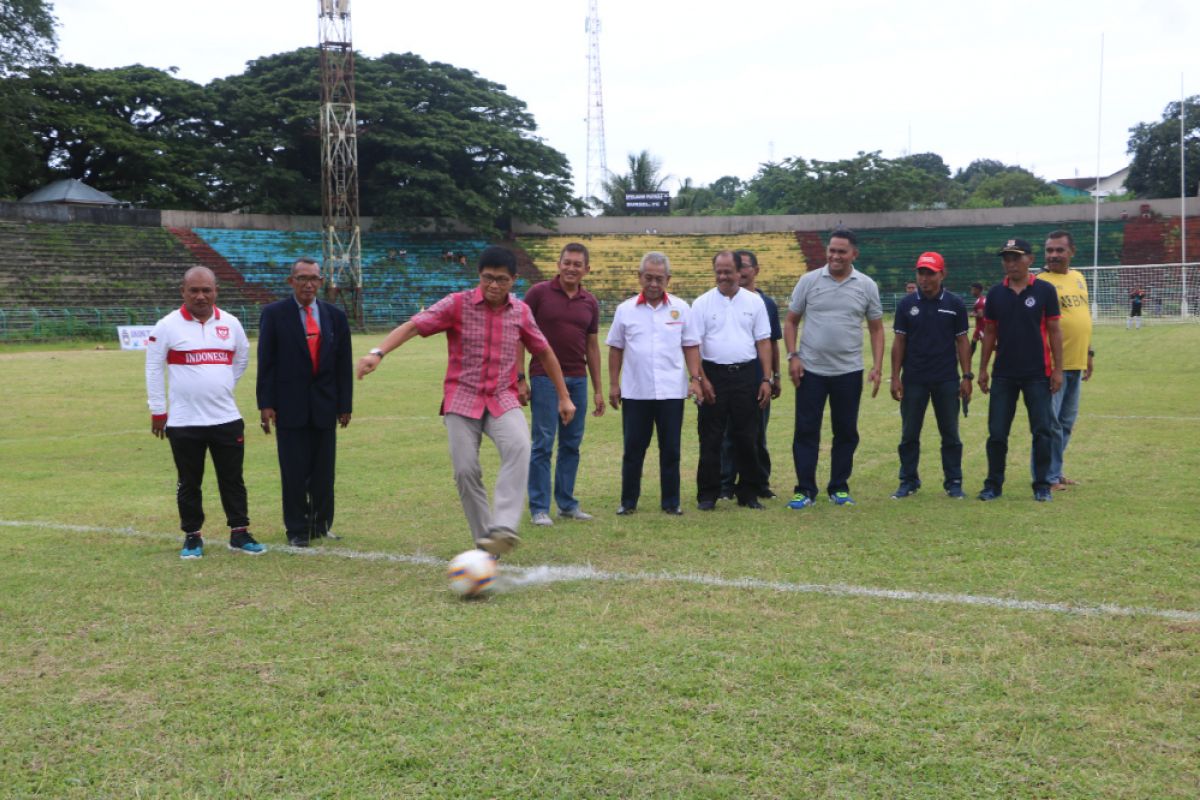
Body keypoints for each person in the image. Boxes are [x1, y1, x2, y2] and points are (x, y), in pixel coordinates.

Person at [356, 246, 575, 556]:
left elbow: (544, 352)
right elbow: (414, 325)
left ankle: (504, 526)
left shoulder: (521, 312)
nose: (494, 286)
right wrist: (377, 353)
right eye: (487, 278)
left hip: (502, 397)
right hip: (462, 399)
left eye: (501, 280)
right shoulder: (457, 304)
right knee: (465, 471)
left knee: (521, 447)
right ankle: (486, 542)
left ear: (513, 280)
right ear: (479, 276)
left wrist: (564, 397)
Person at [145, 266, 264, 558]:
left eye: (206, 290)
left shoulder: (232, 324)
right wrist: (159, 410)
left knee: (232, 479)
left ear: (216, 292)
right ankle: (192, 536)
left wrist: (221, 387)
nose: (200, 296)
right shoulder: (167, 326)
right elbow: (153, 368)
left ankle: (239, 533)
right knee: (189, 482)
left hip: (226, 419)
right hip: (184, 422)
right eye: (194, 290)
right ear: (182, 292)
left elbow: (242, 359)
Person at [783, 228, 885, 508]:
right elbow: (790, 321)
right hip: (811, 370)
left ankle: (838, 487)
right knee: (806, 431)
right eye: (832, 250)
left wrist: (877, 366)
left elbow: (877, 329)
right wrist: (793, 356)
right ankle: (804, 490)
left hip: (848, 371)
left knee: (846, 431)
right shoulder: (809, 281)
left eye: (841, 251)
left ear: (854, 254)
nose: (835, 256)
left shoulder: (866, 285)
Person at [256, 257, 354, 548]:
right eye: (302, 278)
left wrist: (344, 404)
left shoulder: (335, 317)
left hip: (325, 405)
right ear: (291, 282)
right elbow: (267, 363)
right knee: (294, 472)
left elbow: (342, 365)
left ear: (321, 282)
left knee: (324, 472)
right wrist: (266, 403)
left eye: (314, 278)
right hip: (289, 406)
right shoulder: (274, 314)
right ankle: (297, 529)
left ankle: (321, 525)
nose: (309, 284)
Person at [606, 252, 701, 515]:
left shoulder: (681, 308)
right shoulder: (625, 310)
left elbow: (691, 346)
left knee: (670, 450)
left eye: (659, 279)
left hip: (671, 392)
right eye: (648, 278)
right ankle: (628, 502)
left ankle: (671, 502)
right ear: (639, 277)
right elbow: (616, 348)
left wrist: (695, 379)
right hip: (636, 392)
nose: (653, 284)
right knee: (633, 450)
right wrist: (614, 384)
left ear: (668, 279)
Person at [521, 243, 604, 527]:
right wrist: (519, 378)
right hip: (543, 378)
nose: (571, 268)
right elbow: (519, 336)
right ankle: (539, 508)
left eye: (577, 264)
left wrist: (598, 389)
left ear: (586, 269)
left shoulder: (590, 302)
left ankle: (567, 504)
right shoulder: (538, 294)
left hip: (578, 379)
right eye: (567, 262)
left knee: (572, 444)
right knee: (543, 443)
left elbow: (592, 348)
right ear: (558, 264)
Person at [977, 238, 1063, 502]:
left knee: (1042, 431)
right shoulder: (995, 294)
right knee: (997, 433)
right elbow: (989, 333)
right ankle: (993, 485)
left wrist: (1058, 370)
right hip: (1004, 374)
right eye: (1006, 258)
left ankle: (1041, 485)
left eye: (1016, 257)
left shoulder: (1045, 290)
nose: (1010, 263)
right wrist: (982, 369)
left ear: (1030, 259)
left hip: (1038, 374)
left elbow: (1054, 331)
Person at [689, 250, 773, 511]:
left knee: (747, 435)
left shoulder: (754, 302)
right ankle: (708, 494)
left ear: (740, 272)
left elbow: (763, 341)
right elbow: (694, 345)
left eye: (728, 271)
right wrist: (701, 379)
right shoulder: (702, 303)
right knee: (710, 436)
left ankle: (748, 492)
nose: (723, 276)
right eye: (719, 271)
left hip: (746, 374)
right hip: (713, 375)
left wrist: (766, 379)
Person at [889, 252, 973, 499]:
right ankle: (908, 480)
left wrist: (966, 376)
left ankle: (954, 481)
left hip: (946, 378)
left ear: (942, 274)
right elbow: (899, 341)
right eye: (921, 272)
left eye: (930, 273)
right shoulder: (906, 304)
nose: (924, 278)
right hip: (914, 379)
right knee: (909, 434)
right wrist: (895, 376)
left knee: (950, 433)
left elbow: (962, 340)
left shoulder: (955, 304)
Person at [1032, 231, 1093, 491]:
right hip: (1052, 366)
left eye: (1059, 250)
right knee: (1050, 424)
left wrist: (1089, 353)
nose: (1053, 255)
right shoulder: (1038, 282)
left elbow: (1083, 316)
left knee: (1066, 423)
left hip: (1076, 362)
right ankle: (1044, 476)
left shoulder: (1079, 278)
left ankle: (1055, 471)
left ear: (1072, 252)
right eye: (1049, 250)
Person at [719, 249, 782, 500]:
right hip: (729, 378)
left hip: (757, 378)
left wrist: (774, 376)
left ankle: (759, 482)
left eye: (744, 266)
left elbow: (772, 342)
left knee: (757, 434)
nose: (740, 271)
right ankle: (725, 484)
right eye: (737, 267)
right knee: (727, 435)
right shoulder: (721, 300)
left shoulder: (765, 304)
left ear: (755, 271)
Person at [969, 282, 986, 362]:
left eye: (972, 289)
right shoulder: (981, 299)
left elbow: (981, 315)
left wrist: (972, 314)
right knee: (973, 341)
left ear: (978, 290)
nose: (971, 291)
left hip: (982, 327)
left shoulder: (980, 302)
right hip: (979, 326)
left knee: (988, 346)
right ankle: (968, 358)